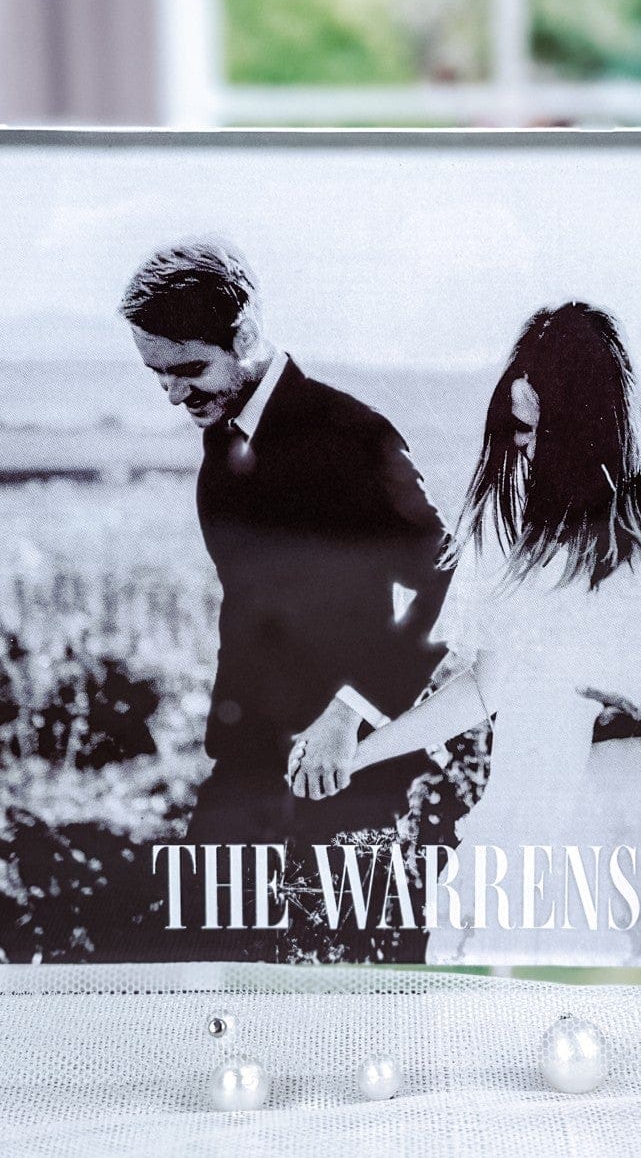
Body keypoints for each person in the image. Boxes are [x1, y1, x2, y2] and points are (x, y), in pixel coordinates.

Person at [326, 301, 641, 967]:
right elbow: (485, 687)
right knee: (481, 980)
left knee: (601, 999)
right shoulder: (518, 527)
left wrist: (634, 720)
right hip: (531, 797)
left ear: (593, 424)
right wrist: (360, 755)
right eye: (515, 429)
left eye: (537, 431)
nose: (523, 448)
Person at [120, 239, 452, 933]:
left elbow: (447, 576)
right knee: (200, 950)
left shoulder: (352, 435)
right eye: (158, 375)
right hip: (244, 764)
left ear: (243, 335)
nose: (174, 394)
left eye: (189, 369)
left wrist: (351, 712)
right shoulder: (222, 441)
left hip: (353, 769)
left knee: (341, 964)